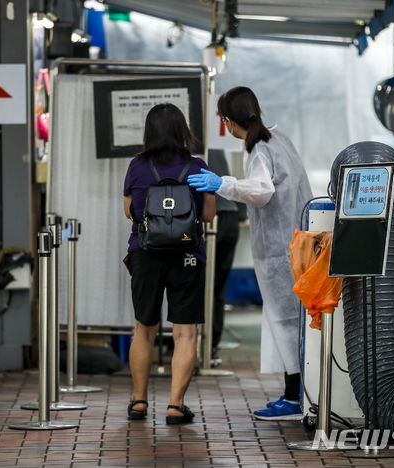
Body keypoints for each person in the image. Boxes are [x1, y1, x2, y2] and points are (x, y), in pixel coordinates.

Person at [188, 87, 312, 421]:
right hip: (296, 242)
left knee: (287, 322)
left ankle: (297, 397)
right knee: (292, 322)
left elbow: (262, 190)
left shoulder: (259, 148)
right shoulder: (278, 138)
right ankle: (294, 393)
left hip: (279, 250)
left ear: (228, 121)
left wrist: (222, 185)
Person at [123, 103, 215, 424]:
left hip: (145, 254)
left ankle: (138, 402)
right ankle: (176, 406)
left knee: (144, 329)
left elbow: (130, 212)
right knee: (185, 333)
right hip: (187, 256)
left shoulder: (137, 166)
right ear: (183, 131)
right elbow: (206, 215)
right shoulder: (198, 167)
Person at [206, 149, 240, 361]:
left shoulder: (195, 145)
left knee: (202, 286)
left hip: (211, 216)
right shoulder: (220, 144)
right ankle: (211, 345)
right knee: (218, 288)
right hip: (231, 215)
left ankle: (199, 345)